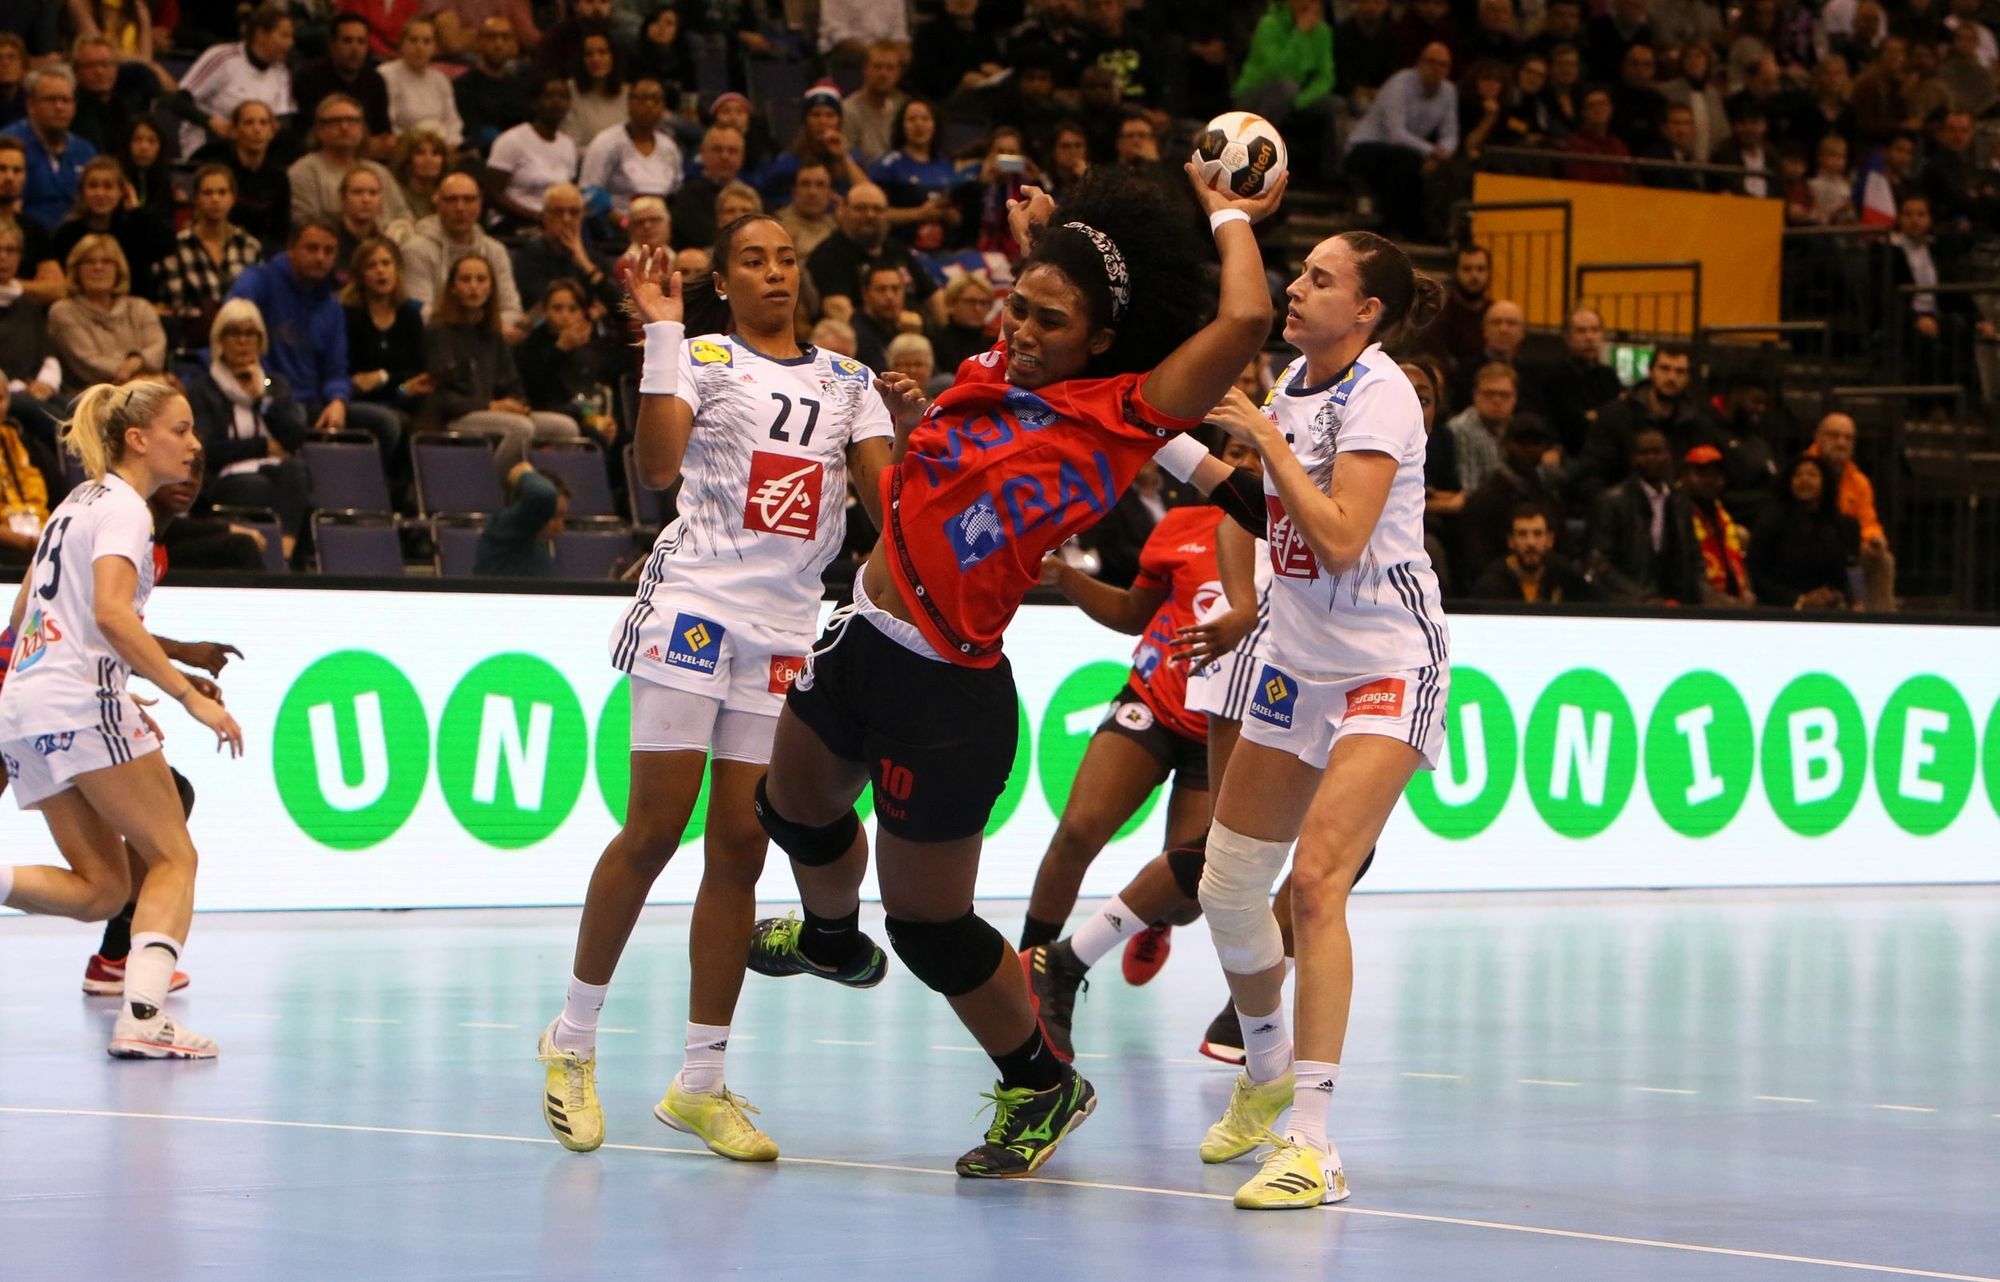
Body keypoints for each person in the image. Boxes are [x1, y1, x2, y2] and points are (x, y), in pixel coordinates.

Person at [743, 164, 1285, 1179]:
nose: (1023, 329)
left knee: (929, 928)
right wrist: (1052, 230)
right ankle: (829, 937)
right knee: (789, 807)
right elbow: (1053, 290)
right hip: (858, 632)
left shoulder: (1123, 410)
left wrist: (1227, 211)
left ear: (1101, 339)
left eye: (1049, 320)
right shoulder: (1000, 362)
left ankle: (1041, 1084)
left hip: (945, 694)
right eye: (1018, 308)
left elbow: (1245, 317)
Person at [536, 221, 896, 1161]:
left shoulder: (851, 382)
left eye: (787, 259)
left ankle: (700, 1082)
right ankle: (572, 1038)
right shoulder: (700, 356)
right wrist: (661, 331)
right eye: (753, 260)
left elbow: (890, 509)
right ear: (725, 281)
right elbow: (657, 466)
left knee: (740, 846)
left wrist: (923, 428)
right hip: (694, 607)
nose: (775, 272)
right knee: (656, 828)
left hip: (785, 627)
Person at [1188, 228, 1449, 1210]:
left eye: (1319, 278)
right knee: (1225, 888)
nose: (1295, 287)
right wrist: (1156, 438)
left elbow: (1339, 538)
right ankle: (1264, 1073)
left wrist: (1260, 440)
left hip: (1387, 660)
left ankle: (1314, 1142)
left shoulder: (1381, 391)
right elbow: (1268, 518)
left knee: (1315, 879)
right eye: (1299, 272)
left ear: (1366, 311)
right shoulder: (1291, 382)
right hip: (1297, 662)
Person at [0, 379, 244, 1058]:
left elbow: (24, 616)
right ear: (137, 439)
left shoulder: (74, 504)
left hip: (25, 701)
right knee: (173, 856)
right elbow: (110, 613)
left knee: (103, 890)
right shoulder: (128, 510)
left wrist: (94, 682)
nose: (194, 445)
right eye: (181, 429)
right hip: (75, 701)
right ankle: (143, 1015)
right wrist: (186, 695)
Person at [1016, 495, 1232, 982]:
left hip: (1223, 733)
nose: (1246, 465)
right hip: (1153, 702)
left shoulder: (1300, 547)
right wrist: (1065, 577)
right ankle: (1028, 971)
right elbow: (1136, 613)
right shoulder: (1184, 525)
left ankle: (1157, 921)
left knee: (1188, 898)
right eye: (1236, 457)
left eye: (1257, 459)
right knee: (1077, 831)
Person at [227, 220, 395, 446]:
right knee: (293, 419)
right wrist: (263, 386)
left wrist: (337, 400)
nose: (320, 257)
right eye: (312, 248)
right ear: (291, 249)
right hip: (265, 395)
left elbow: (336, 370)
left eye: (329, 251)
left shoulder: (332, 305)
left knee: (386, 423)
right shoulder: (258, 282)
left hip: (313, 402)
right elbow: (231, 330)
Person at [423, 253, 580, 470]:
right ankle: (494, 486)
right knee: (521, 428)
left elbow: (512, 384)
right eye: (466, 279)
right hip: (453, 416)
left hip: (491, 412)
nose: (474, 286)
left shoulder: (492, 333)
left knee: (565, 428)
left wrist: (516, 404)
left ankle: (552, 488)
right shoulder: (439, 330)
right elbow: (442, 397)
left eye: (481, 279)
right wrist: (491, 405)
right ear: (453, 288)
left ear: (490, 288)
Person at [188, 299, 310, 560]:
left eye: (250, 333)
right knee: (261, 488)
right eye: (234, 333)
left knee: (296, 470)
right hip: (223, 477)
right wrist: (263, 446)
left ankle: (285, 551)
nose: (243, 341)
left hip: (275, 471)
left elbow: (295, 437)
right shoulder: (202, 390)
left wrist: (261, 400)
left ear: (260, 340)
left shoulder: (274, 386)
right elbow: (206, 448)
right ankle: (279, 558)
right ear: (220, 340)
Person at [1344, 43, 1458, 241]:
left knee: (1444, 168)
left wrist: (1441, 155)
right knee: (1404, 163)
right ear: (1419, 63)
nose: (1436, 69)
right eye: (1431, 62)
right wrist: (1432, 151)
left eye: (1442, 65)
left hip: (1409, 152)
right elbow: (1395, 134)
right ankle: (1394, 227)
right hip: (1364, 148)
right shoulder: (1399, 84)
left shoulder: (1449, 92)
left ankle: (1428, 229)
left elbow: (1450, 135)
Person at [1586, 427, 1703, 603]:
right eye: (1644, 453)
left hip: (1676, 601)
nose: (1650, 458)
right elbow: (1600, 563)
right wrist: (1641, 599)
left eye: (1657, 452)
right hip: (1629, 601)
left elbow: (1694, 558)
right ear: (1632, 458)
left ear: (1668, 456)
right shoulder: (1611, 502)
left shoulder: (1680, 502)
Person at [402, 172, 527, 335]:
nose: (460, 208)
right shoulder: (416, 250)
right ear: (437, 204)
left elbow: (511, 309)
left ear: (480, 204)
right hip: (436, 339)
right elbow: (419, 311)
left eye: (468, 199)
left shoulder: (496, 250)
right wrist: (475, 328)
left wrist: (484, 328)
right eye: (451, 200)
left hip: (486, 337)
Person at [156, 165, 261, 352]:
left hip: (243, 346)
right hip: (193, 348)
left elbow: (260, 303)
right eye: (208, 193)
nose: (215, 199)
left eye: (222, 192)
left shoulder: (249, 246)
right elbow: (172, 306)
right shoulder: (175, 247)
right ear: (196, 198)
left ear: (233, 197)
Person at [171, 2, 293, 162]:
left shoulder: (281, 71)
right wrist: (210, 122)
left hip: (254, 153)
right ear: (261, 34)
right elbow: (178, 101)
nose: (290, 43)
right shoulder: (223, 58)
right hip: (210, 146)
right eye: (284, 36)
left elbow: (283, 118)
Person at [341, 237, 431, 444]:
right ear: (360, 275)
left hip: (401, 395)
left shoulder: (409, 315)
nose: (380, 271)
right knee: (390, 421)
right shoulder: (348, 315)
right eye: (371, 266)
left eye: (386, 263)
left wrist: (383, 377)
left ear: (396, 269)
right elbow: (356, 378)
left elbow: (416, 372)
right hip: (359, 400)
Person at [48, 236, 164, 392]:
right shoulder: (63, 311)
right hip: (91, 395)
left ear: (119, 268)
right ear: (76, 270)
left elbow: (157, 349)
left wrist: (135, 363)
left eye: (107, 261)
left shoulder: (141, 307)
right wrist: (136, 373)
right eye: (89, 262)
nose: (98, 267)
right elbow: (88, 363)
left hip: (145, 387)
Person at [48, 155, 169, 303]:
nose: (100, 193)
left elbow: (166, 246)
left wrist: (136, 210)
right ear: (83, 191)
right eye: (93, 186)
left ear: (122, 192)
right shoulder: (67, 234)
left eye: (108, 186)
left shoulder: (135, 228)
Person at [1806, 411, 1894, 612]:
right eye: (1834, 435)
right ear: (1818, 437)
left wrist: (1874, 540)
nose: (1841, 443)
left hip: (1847, 547)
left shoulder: (1859, 481)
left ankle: (1880, 619)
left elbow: (1868, 522)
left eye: (1848, 438)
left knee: (1882, 559)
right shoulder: (1803, 471)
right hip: (1807, 543)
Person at [805, 182, 935, 315]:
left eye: (877, 209)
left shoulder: (896, 249)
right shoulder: (827, 255)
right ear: (843, 211)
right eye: (860, 209)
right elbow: (839, 311)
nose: (870, 215)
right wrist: (899, 324)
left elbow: (932, 295)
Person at [516, 277, 620, 444]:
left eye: (573, 309)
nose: (565, 315)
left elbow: (606, 388)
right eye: (557, 309)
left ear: (583, 313)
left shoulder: (596, 348)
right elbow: (534, 389)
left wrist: (610, 422)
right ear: (544, 311)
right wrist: (560, 350)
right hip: (552, 415)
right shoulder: (530, 346)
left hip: (591, 413)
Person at [289, 95, 413, 230]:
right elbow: (305, 222)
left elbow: (403, 216)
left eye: (352, 120)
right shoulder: (304, 171)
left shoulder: (379, 171)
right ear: (319, 129)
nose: (344, 127)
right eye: (335, 121)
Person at [1750, 455, 1856, 610]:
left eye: (1812, 474)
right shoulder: (1771, 521)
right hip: (1780, 608)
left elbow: (1843, 575)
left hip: (1827, 608)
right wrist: (1800, 600)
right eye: (1798, 475)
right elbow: (1757, 575)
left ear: (1825, 483)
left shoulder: (1838, 525)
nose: (1804, 479)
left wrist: (1837, 596)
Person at [5, 67, 95, 232]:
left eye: (65, 100)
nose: (59, 107)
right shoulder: (8, 146)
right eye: (50, 99)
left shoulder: (85, 151)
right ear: (31, 105)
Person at [867, 99, 965, 252]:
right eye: (912, 119)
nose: (919, 124)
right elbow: (876, 213)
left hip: (944, 249)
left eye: (925, 119)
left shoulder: (947, 164)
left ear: (935, 125)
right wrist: (919, 214)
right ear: (902, 126)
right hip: (900, 248)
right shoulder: (887, 165)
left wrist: (950, 215)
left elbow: (959, 216)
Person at [190, 100, 288, 252]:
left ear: (272, 131)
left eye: (263, 123)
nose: (257, 129)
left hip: (264, 253)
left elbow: (281, 230)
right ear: (235, 130)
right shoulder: (217, 171)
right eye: (249, 123)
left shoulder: (278, 177)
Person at [291, 12, 393, 154]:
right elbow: (309, 134)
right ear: (332, 45)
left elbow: (383, 133)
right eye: (347, 41)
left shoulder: (375, 80)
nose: (355, 48)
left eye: (361, 41)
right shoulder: (308, 78)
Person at [513, 183, 621, 314]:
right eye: (558, 212)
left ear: (582, 216)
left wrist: (584, 262)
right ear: (544, 216)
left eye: (574, 212)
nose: (566, 219)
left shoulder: (593, 257)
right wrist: (589, 313)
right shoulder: (530, 256)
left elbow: (622, 310)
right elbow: (542, 307)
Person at [580, 77, 682, 215]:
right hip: (619, 220)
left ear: (663, 107)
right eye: (642, 99)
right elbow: (589, 193)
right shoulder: (606, 142)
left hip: (658, 221)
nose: (649, 105)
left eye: (656, 100)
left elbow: (675, 193)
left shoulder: (670, 147)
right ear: (629, 104)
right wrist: (622, 222)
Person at [488, 78, 580, 228]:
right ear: (535, 103)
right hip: (513, 222)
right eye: (549, 96)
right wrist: (537, 217)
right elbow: (493, 194)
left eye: (563, 96)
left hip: (555, 223)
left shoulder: (568, 145)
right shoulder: (511, 140)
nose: (557, 102)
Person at [1471, 501, 1602, 601]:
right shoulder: (1491, 585)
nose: (1531, 542)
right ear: (1511, 541)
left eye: (1538, 534)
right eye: (1522, 534)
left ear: (1550, 540)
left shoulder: (1563, 573)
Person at [1682, 444, 1756, 608]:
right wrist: (1725, 604)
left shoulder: (1720, 515)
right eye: (1701, 473)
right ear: (1685, 476)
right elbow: (1688, 578)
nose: (1709, 480)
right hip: (1692, 608)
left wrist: (1746, 594)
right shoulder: (1676, 514)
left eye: (1715, 474)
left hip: (1731, 607)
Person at [380, 17, 463, 149]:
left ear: (435, 48)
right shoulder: (386, 75)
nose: (420, 47)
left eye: (427, 41)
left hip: (438, 148)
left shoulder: (440, 79)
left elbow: (452, 121)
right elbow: (388, 123)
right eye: (413, 40)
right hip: (403, 147)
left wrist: (450, 142)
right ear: (402, 44)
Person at [475, 461, 568, 577]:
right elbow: (543, 494)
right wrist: (524, 473)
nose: (560, 528)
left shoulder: (539, 547)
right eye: (554, 516)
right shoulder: (502, 530)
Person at [456, 16, 535, 152]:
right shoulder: (464, 86)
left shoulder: (520, 85)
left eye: (505, 37)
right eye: (491, 37)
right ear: (479, 41)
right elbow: (470, 130)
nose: (499, 44)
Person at [670, 126, 746, 252]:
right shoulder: (687, 198)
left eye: (732, 151)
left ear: (742, 156)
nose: (725, 156)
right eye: (717, 150)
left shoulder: (752, 194)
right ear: (702, 154)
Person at [843, 41, 908, 166]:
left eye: (890, 68)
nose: (883, 74)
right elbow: (846, 160)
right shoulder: (848, 110)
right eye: (877, 67)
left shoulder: (901, 109)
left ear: (898, 74)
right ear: (865, 70)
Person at [562, 31, 628, 149]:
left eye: (602, 52)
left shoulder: (628, 94)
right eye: (588, 54)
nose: (595, 59)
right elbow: (569, 145)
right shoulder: (569, 91)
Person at [775, 163, 838, 260]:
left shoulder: (836, 227)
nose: (812, 192)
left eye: (820, 185)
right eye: (805, 184)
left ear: (830, 193)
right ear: (794, 191)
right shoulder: (777, 226)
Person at [391, 126, 449, 224]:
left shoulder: (449, 196)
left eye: (435, 153)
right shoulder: (397, 195)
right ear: (407, 159)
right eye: (420, 153)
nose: (428, 159)